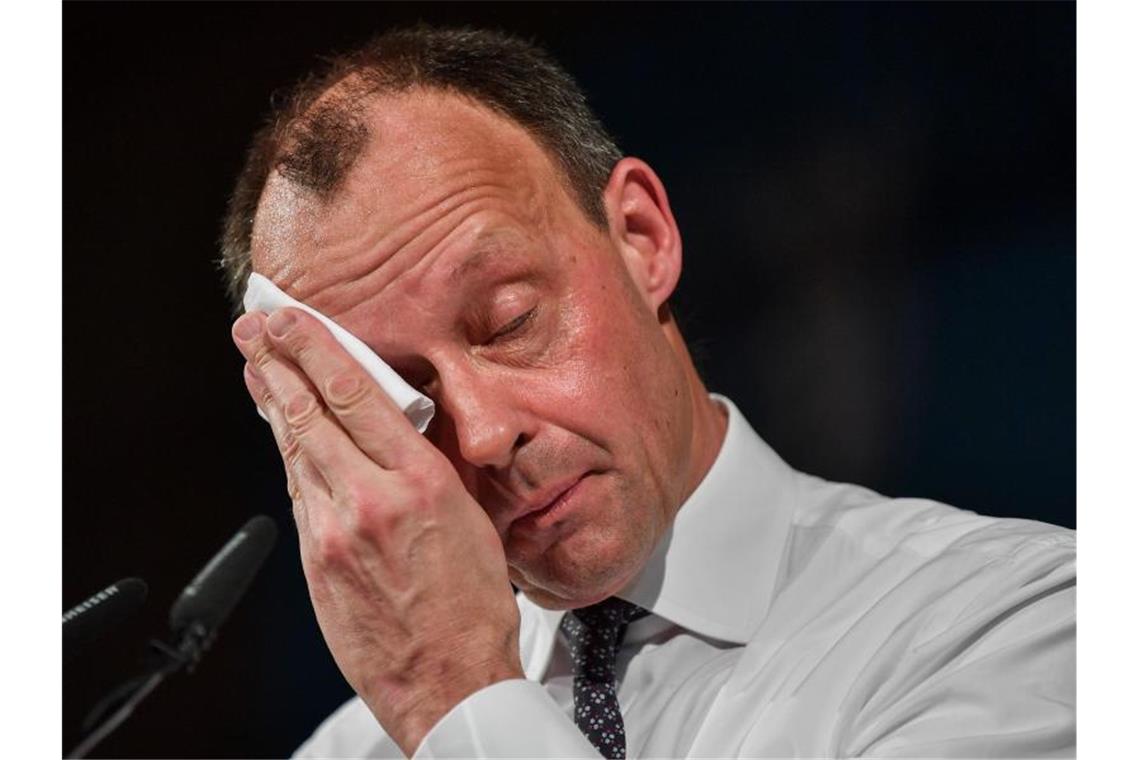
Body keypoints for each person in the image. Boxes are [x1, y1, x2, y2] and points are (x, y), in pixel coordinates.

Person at [221, 26, 1075, 759]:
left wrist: (460, 701)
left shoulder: (1018, 621)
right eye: (406, 397)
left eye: (511, 321)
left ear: (642, 238)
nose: (480, 436)